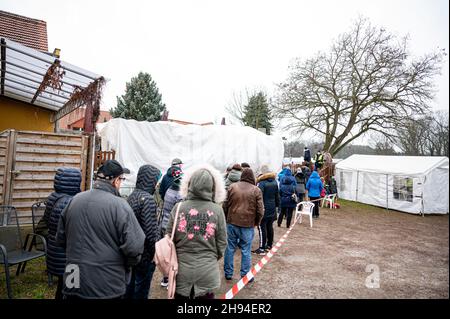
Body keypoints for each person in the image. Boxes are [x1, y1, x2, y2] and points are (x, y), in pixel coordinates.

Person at [56, 160, 145, 299]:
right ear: (116, 181)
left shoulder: (74, 200)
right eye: (121, 179)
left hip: (72, 278)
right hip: (106, 284)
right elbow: (134, 248)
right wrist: (127, 265)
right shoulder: (120, 206)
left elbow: (61, 239)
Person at [165, 164, 227, 299]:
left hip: (181, 270)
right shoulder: (217, 210)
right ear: (213, 187)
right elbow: (222, 242)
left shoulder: (179, 207)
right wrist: (211, 257)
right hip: (207, 270)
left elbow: (169, 236)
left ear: (190, 184)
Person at [45, 168, 82, 299]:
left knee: (62, 286)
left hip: (55, 250)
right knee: (71, 289)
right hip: (68, 255)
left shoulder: (53, 197)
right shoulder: (71, 202)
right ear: (75, 182)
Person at [125, 164, 161, 299]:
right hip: (145, 256)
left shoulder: (133, 195)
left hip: (133, 252)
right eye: (156, 181)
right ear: (151, 180)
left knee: (130, 288)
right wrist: (155, 254)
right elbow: (151, 234)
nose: (157, 185)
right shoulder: (148, 200)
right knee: (141, 291)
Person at [223, 168, 264, 281]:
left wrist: (226, 217)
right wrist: (257, 222)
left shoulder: (232, 187)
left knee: (230, 248)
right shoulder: (256, 190)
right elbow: (260, 210)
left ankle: (228, 273)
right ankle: (245, 275)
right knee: (246, 250)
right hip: (247, 224)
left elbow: (225, 205)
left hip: (232, 222)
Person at [159, 166, 184, 288]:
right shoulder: (179, 195)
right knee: (174, 255)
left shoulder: (169, 190)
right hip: (173, 227)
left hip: (164, 224)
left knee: (166, 254)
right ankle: (171, 280)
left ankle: (165, 279)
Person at [254, 165, 279, 255]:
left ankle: (261, 248)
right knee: (269, 226)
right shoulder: (275, 182)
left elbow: (258, 197)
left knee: (261, 227)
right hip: (272, 208)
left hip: (264, 208)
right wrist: (277, 207)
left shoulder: (261, 183)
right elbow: (277, 196)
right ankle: (269, 245)